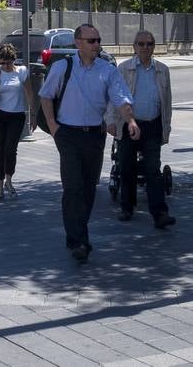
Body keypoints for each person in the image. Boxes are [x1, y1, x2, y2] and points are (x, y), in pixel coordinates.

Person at [39, 23, 140, 262]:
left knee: (87, 189)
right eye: (91, 41)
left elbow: (121, 98)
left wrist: (131, 121)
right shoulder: (62, 67)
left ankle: (75, 233)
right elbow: (46, 96)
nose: (97, 45)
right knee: (73, 187)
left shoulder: (107, 70)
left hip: (95, 135)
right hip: (68, 135)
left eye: (98, 40)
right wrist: (53, 126)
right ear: (78, 43)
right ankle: (79, 241)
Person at [106, 30, 175, 229]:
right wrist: (110, 120)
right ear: (134, 47)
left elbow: (167, 102)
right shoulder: (124, 68)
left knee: (153, 169)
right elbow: (114, 96)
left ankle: (160, 213)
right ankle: (127, 207)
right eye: (141, 44)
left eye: (150, 44)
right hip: (129, 124)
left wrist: (166, 126)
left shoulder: (162, 70)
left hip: (152, 124)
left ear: (154, 47)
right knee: (126, 167)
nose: (146, 47)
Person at [0, 42, 35, 200]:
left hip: (16, 116)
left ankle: (9, 180)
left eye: (8, 62)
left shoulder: (22, 72)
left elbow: (30, 94)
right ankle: (0, 187)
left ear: (14, 60)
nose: (6, 66)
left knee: (10, 149)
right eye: (3, 62)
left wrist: (33, 115)